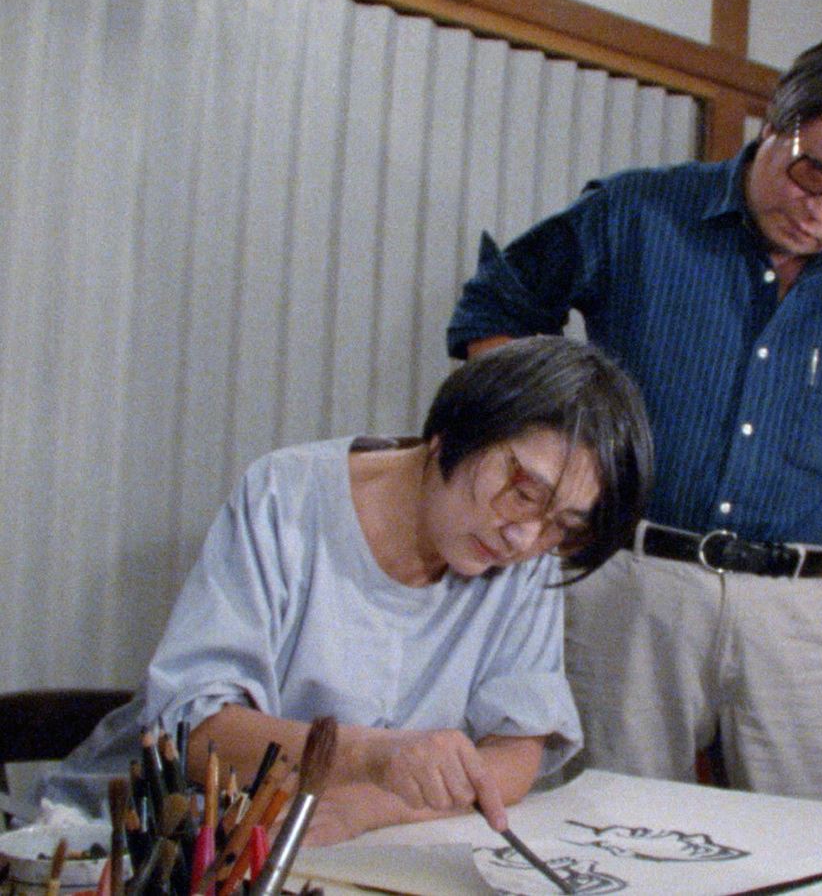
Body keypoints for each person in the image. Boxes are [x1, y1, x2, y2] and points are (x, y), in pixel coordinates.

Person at [447, 28, 822, 803]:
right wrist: (551, 474)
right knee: (612, 821)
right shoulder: (639, 211)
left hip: (796, 600)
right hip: (631, 580)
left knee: (813, 837)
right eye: (816, 174)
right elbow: (494, 312)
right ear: (781, 116)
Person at [39, 336, 653, 844]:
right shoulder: (287, 497)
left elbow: (516, 750)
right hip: (144, 836)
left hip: (340, 848)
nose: (524, 535)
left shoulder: (529, 558)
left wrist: (374, 806)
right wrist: (377, 758)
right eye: (522, 492)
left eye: (564, 525)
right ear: (456, 430)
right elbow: (197, 735)